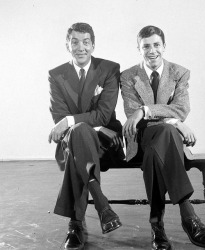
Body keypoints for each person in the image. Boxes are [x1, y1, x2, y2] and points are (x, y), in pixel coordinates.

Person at [120, 25, 205, 249]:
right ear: (139, 48)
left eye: (156, 45)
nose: (152, 50)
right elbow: (131, 114)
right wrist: (174, 122)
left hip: (164, 141)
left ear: (164, 46)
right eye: (146, 46)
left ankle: (157, 226)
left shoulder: (179, 72)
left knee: (158, 150)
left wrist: (146, 111)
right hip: (141, 138)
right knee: (165, 133)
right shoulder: (127, 76)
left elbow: (181, 108)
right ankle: (188, 215)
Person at [48, 22, 124, 249]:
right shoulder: (56, 75)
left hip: (106, 142)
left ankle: (75, 224)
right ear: (67, 45)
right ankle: (102, 205)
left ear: (93, 45)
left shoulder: (109, 69)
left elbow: (101, 116)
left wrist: (72, 120)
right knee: (79, 134)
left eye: (86, 42)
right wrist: (75, 124)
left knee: (78, 132)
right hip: (74, 141)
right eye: (74, 42)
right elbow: (59, 117)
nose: (80, 47)